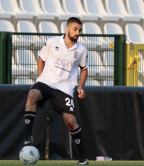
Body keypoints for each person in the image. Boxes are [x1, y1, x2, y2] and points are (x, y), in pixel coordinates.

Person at [23, 17, 89, 165]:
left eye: (79, 30)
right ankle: (28, 136)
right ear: (67, 28)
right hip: (46, 82)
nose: (77, 32)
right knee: (32, 94)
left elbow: (84, 69)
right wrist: (40, 77)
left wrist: (81, 87)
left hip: (64, 88)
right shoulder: (52, 42)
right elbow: (41, 57)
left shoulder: (82, 50)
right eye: (75, 29)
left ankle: (83, 156)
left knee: (70, 121)